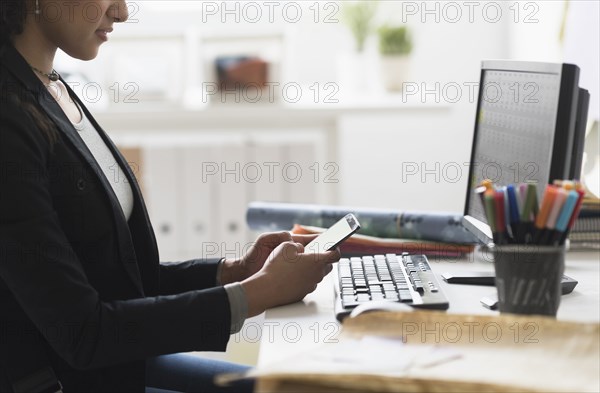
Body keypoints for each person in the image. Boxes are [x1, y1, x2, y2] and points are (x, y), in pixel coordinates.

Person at [0, 1, 340, 392]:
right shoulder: (9, 119)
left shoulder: (51, 86)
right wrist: (257, 293)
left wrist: (233, 272)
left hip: (120, 366)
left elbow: (113, 277)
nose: (122, 12)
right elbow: (83, 333)